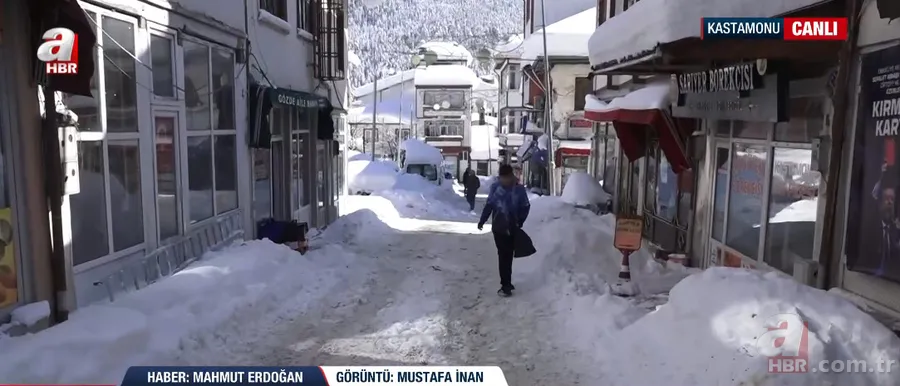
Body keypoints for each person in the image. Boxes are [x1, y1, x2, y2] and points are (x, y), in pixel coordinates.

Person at [477, 164, 530, 297]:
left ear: (510, 176)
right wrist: (482, 220)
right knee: (503, 255)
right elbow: (489, 205)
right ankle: (505, 284)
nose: (504, 180)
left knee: (508, 255)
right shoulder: (495, 188)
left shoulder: (518, 189)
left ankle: (507, 281)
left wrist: (520, 221)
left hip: (512, 228)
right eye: (502, 177)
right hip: (499, 227)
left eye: (506, 177)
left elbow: (525, 206)